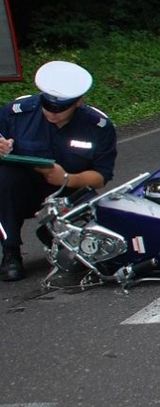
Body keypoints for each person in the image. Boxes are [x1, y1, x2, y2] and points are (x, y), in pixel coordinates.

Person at [0, 60, 117, 281]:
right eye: (47, 105)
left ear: (79, 102)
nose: (52, 113)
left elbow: (101, 177)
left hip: (68, 190)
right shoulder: (16, 113)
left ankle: (58, 238)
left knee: (90, 255)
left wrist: (66, 178)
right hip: (21, 189)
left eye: (61, 108)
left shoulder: (98, 126)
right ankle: (10, 251)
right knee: (3, 179)